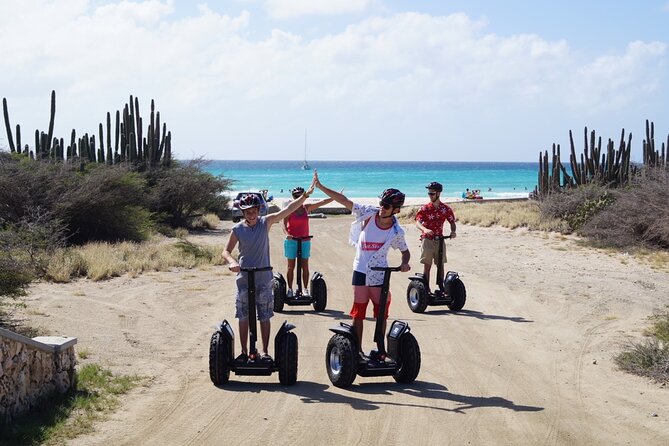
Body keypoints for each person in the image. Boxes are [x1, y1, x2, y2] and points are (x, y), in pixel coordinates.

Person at [313, 170, 410, 355]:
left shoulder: (396, 232)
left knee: (381, 315)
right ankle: (356, 351)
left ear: (396, 210)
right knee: (358, 313)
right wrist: (321, 186)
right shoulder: (368, 213)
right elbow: (344, 200)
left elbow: (405, 251)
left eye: (387, 205)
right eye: (382, 203)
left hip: (380, 274)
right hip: (360, 270)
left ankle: (381, 349)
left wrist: (405, 263)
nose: (382, 207)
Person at [222, 181, 315, 363]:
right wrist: (232, 262)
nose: (251, 214)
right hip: (244, 277)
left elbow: (286, 211)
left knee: (264, 316)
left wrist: (305, 197)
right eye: (248, 212)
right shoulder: (237, 229)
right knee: (243, 316)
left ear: (259, 210)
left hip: (263, 277)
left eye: (254, 211)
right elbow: (226, 251)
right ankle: (243, 351)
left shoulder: (266, 222)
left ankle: (264, 352)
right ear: (243, 213)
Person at [283, 186, 335, 296]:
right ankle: (290, 289)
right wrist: (287, 235)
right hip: (292, 240)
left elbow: (322, 202)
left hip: (305, 240)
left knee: (305, 266)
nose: (298, 198)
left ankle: (305, 289)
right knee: (290, 266)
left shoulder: (306, 207)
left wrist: (335, 197)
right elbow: (283, 224)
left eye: (300, 196)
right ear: (293, 197)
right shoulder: (289, 208)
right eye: (296, 196)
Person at [414, 181, 456, 294]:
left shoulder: (445, 209)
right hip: (427, 239)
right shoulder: (425, 209)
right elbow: (417, 222)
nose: (430, 195)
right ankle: (426, 288)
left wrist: (453, 231)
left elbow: (452, 221)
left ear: (438, 193)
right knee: (427, 265)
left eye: (432, 193)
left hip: (440, 240)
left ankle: (441, 286)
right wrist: (425, 229)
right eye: (429, 193)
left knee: (440, 265)